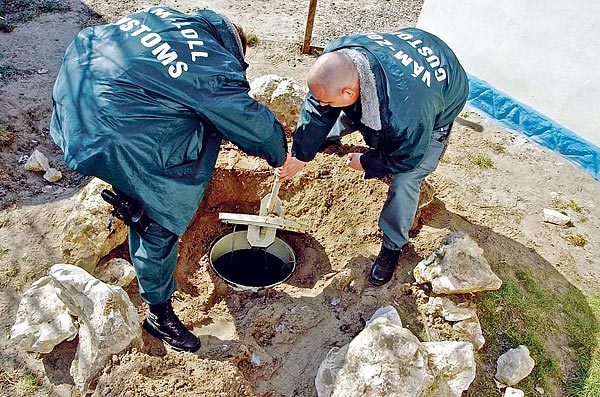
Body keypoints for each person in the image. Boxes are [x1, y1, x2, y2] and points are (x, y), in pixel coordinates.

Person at [50, 6, 287, 352]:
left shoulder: (164, 18)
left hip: (76, 96)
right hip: (116, 129)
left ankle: (130, 187)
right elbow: (253, 126)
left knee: (173, 117)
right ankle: (159, 315)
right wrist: (281, 153)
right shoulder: (210, 67)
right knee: (162, 208)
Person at [277, 27, 469, 286]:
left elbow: (408, 156)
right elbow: (317, 103)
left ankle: (392, 247)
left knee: (405, 180)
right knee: (329, 113)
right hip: (399, 73)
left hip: (437, 102)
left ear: (348, 93)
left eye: (330, 101)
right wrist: (301, 153)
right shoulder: (340, 54)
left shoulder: (407, 112)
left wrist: (367, 162)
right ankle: (324, 136)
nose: (322, 104)